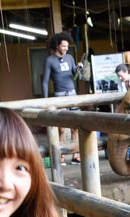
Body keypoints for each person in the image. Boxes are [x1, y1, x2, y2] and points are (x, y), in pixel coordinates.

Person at [41, 32, 82, 164]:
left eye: (67, 46)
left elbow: (76, 77)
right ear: (57, 45)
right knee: (62, 128)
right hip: (59, 96)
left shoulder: (70, 58)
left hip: (72, 94)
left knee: (76, 126)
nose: (66, 48)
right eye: (63, 46)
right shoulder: (50, 60)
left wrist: (78, 69)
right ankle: (62, 156)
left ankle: (76, 155)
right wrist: (45, 100)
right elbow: (45, 81)